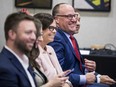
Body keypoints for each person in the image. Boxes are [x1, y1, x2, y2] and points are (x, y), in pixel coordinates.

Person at [48, 3, 116, 87]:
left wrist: (95, 73)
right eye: (69, 16)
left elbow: (78, 67)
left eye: (74, 16)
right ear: (57, 19)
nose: (74, 20)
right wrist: (94, 79)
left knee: (110, 82)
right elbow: (60, 73)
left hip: (79, 81)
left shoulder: (71, 38)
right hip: (72, 84)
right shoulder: (56, 39)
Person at [0, 12, 41, 87]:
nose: (33, 37)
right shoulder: (4, 68)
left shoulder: (25, 61)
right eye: (28, 32)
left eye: (34, 33)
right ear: (12, 34)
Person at [33, 13, 72, 87]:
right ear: (40, 29)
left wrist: (67, 84)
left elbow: (61, 75)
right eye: (51, 28)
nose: (54, 31)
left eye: (55, 28)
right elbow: (42, 82)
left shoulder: (50, 49)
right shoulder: (34, 53)